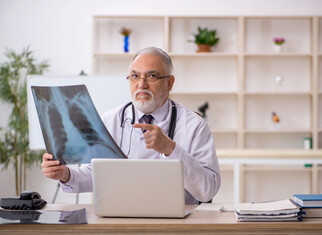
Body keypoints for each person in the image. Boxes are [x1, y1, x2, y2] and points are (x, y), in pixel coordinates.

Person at [41, 47, 221, 204]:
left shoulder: (195, 126)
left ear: (169, 83)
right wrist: (65, 174)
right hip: (120, 217)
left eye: (151, 76)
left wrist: (171, 150)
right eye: (135, 76)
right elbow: (95, 174)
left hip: (176, 223)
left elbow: (207, 190)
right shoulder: (112, 119)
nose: (141, 85)